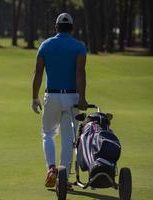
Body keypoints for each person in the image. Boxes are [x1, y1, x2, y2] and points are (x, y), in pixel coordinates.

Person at [32, 13, 88, 188]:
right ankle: (63, 180)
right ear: (72, 28)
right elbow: (80, 73)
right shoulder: (79, 47)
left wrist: (34, 97)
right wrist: (82, 97)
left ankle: (51, 169)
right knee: (68, 139)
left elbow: (38, 73)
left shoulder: (45, 45)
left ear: (56, 27)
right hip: (72, 97)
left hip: (52, 96)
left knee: (48, 134)